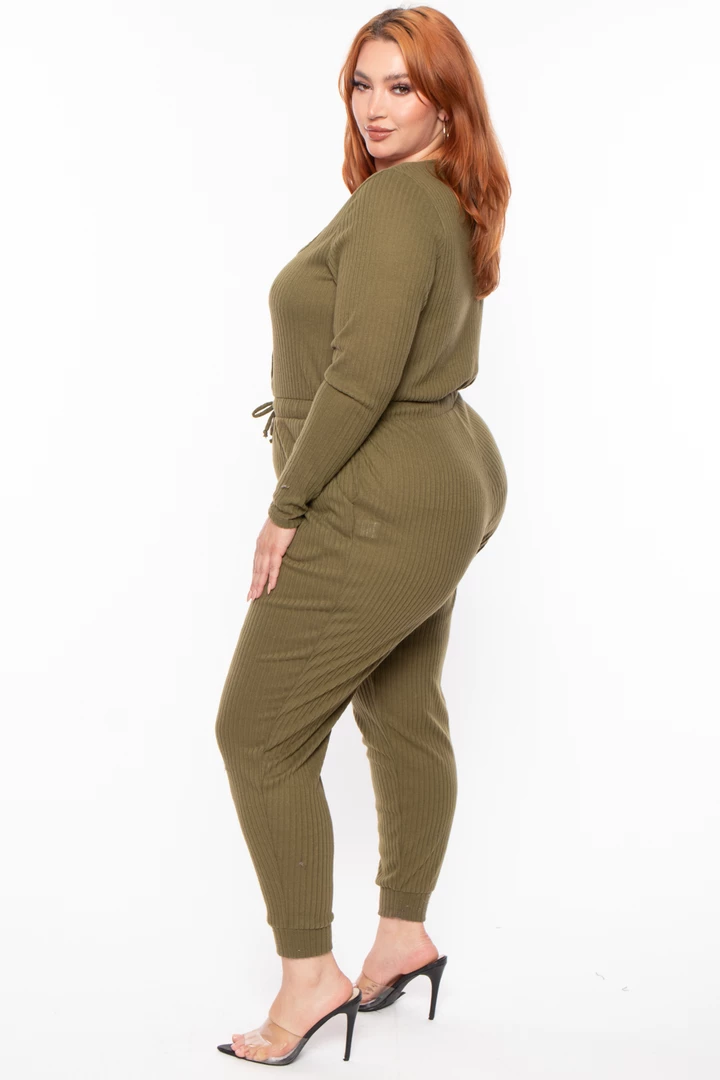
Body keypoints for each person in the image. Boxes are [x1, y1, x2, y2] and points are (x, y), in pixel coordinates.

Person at [214, 5, 510, 1065]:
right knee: (401, 709)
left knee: (257, 734)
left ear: (447, 104)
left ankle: (310, 982)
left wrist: (285, 508)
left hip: (382, 494)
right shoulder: (443, 195)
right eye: (361, 83)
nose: (376, 108)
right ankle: (403, 938)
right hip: (446, 478)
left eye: (402, 87)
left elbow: (361, 376)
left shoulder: (395, 205)